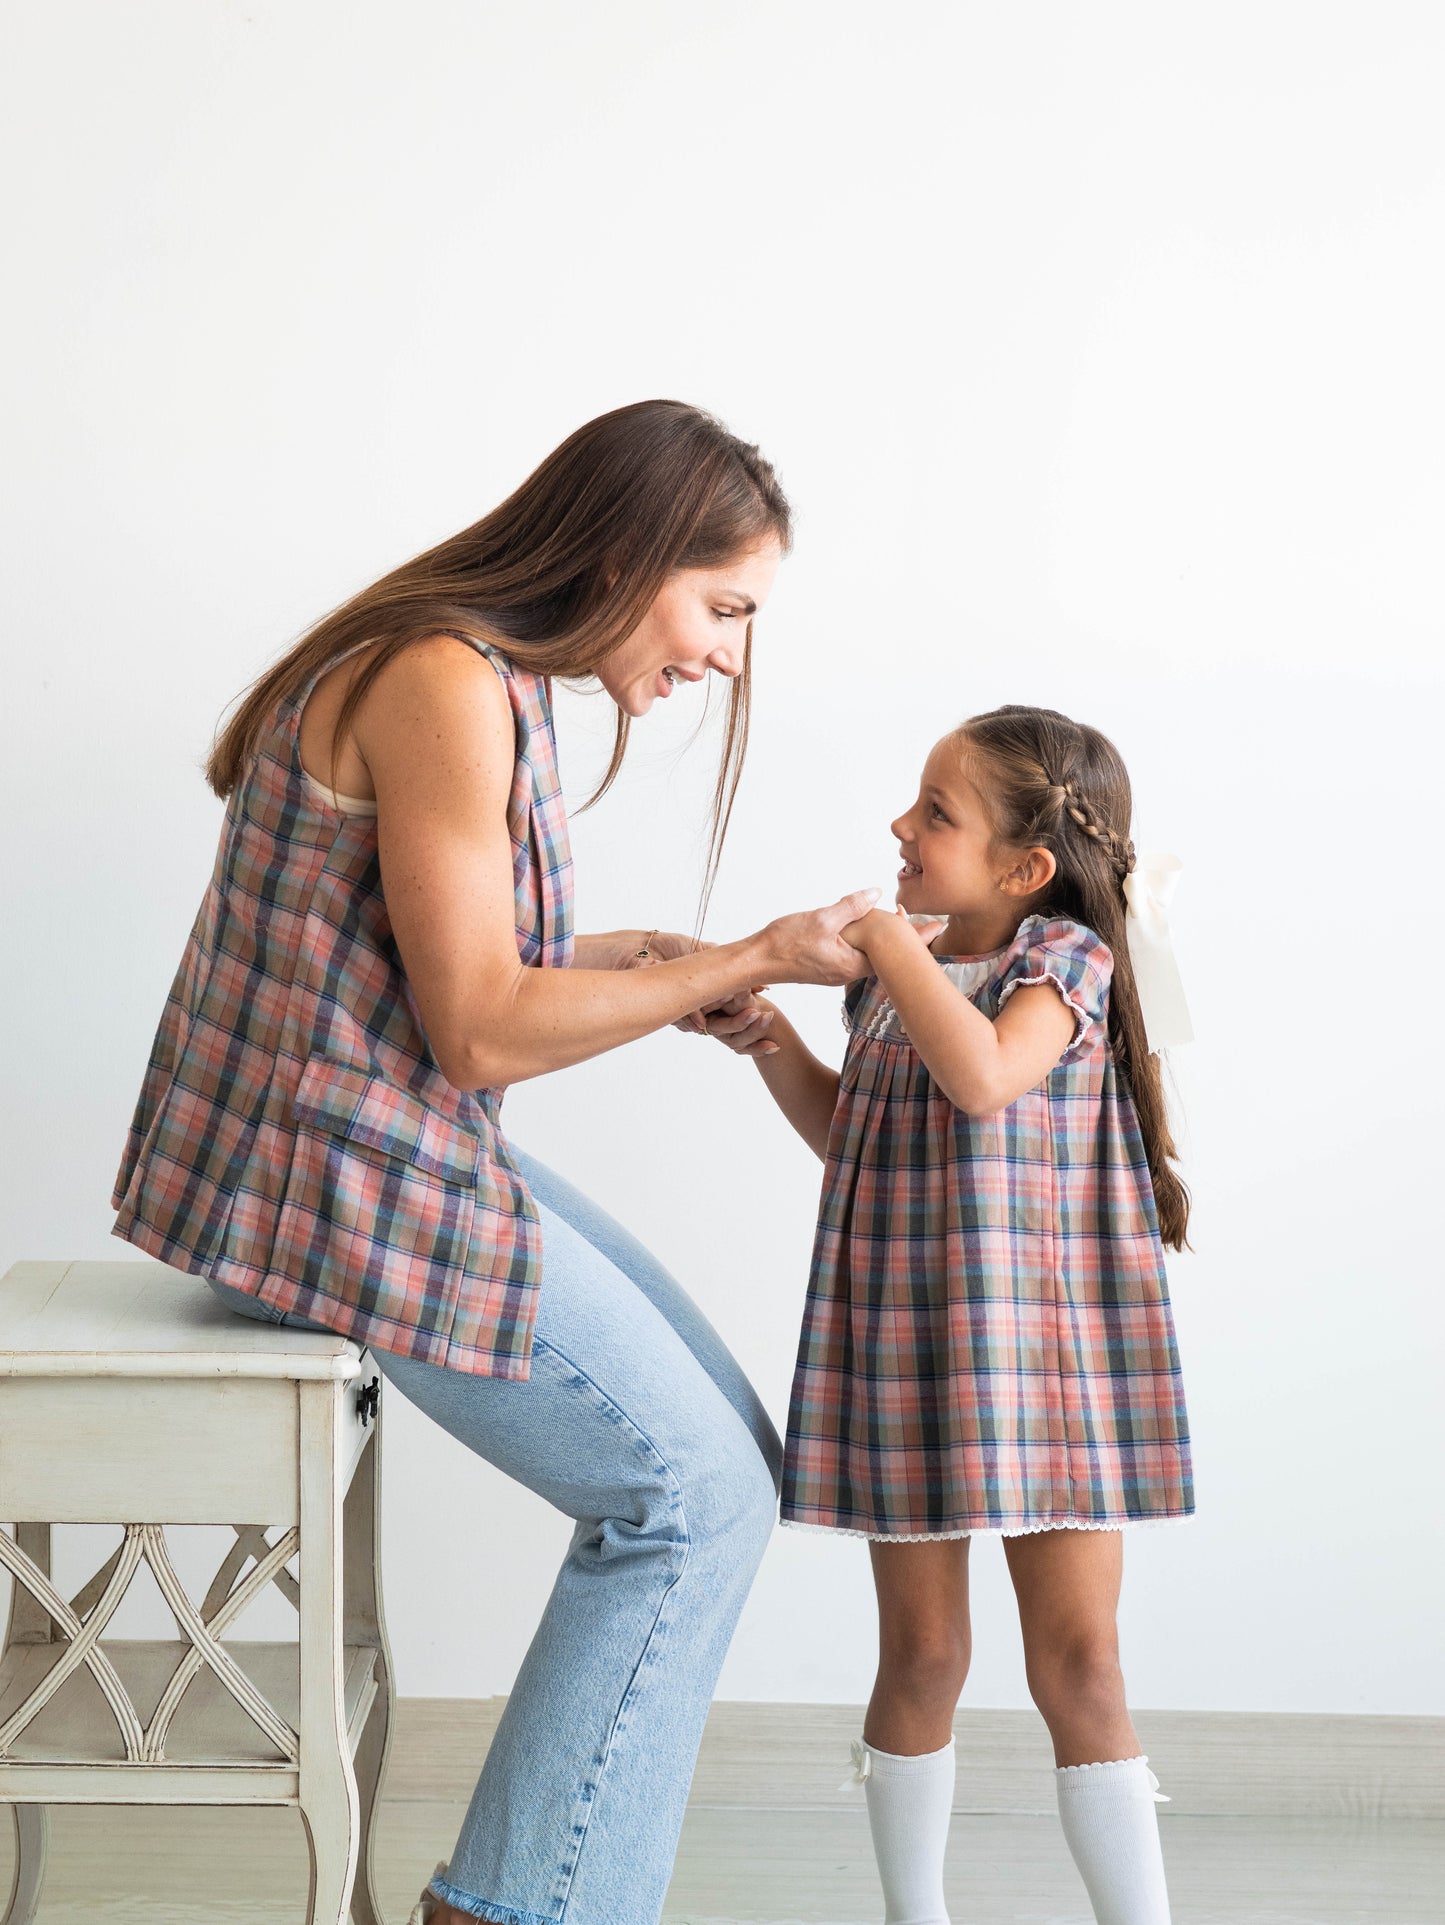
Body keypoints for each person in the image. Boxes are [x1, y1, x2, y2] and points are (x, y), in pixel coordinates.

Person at [109, 400, 882, 1925]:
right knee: (696, 1499)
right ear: (633, 553)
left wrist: (641, 959)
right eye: (724, 607)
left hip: (359, 1152)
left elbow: (426, 959)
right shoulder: (443, 681)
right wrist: (744, 958)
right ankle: (518, 1911)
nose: (730, 656)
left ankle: (513, 1898)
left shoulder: (481, 670)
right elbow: (473, 1030)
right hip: (322, 1190)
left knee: (729, 1459)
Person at [709, 704, 1194, 1925]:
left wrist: (883, 938)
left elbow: (982, 1078)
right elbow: (858, 1134)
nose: (899, 825)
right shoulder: (897, 976)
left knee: (1080, 1662)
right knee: (920, 1654)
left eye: (934, 812)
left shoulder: (1062, 961)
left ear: (1023, 869)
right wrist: (769, 1036)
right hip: (909, 1347)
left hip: (1044, 1361)